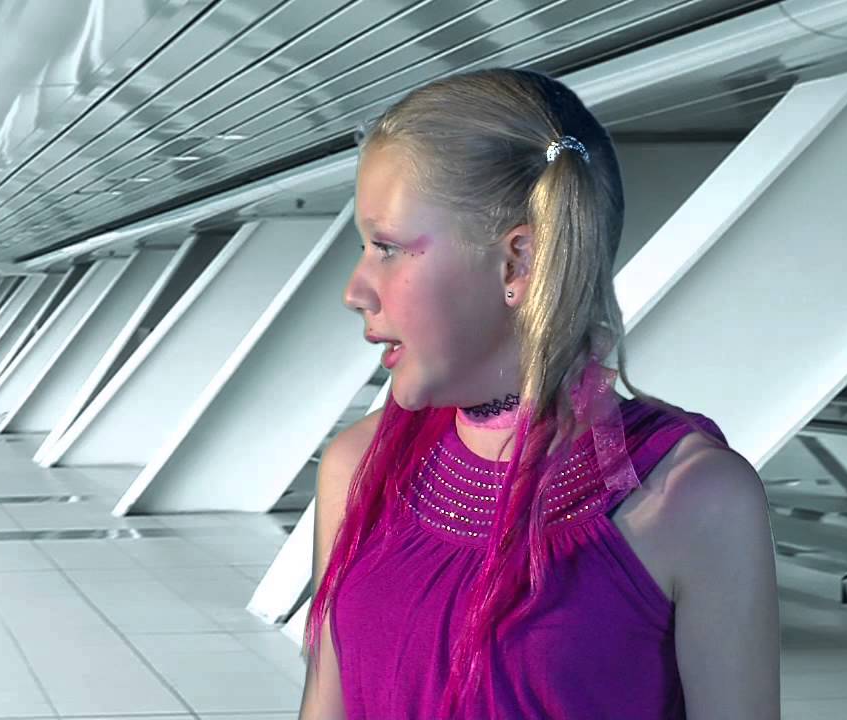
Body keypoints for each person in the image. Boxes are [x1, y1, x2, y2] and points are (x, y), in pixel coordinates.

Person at [299, 68, 779, 720]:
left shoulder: (691, 497)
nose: (355, 290)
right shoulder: (358, 467)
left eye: (387, 247)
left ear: (517, 262)